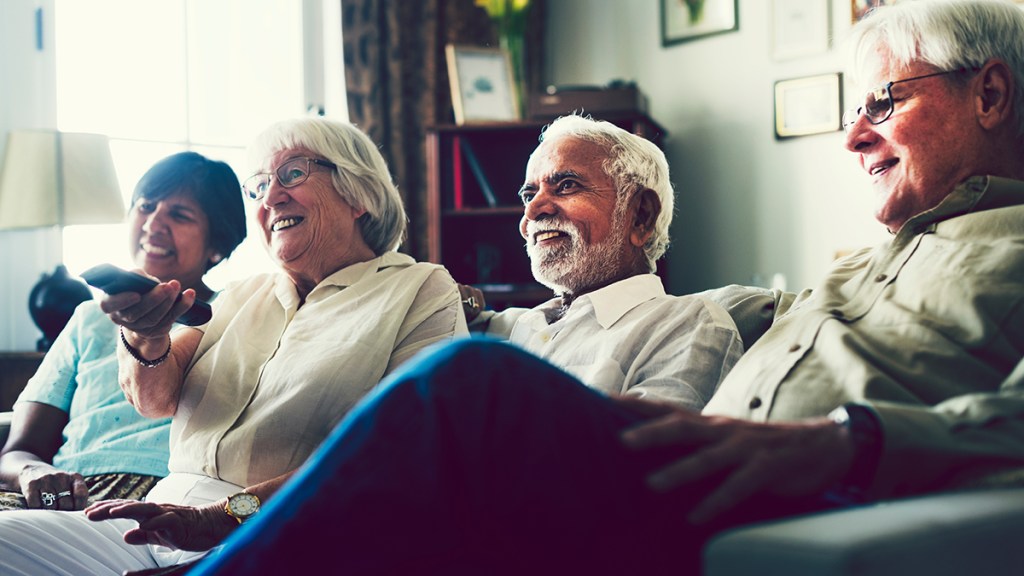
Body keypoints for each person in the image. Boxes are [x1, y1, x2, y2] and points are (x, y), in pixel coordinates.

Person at [184, 1, 1024, 574]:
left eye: (884, 100)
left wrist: (850, 440)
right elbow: (739, 311)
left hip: (785, 495)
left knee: (471, 387)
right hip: (706, 482)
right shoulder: (862, 266)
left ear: (989, 93)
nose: (853, 137)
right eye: (527, 195)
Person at [0, 117, 467, 575]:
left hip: (282, 528)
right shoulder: (242, 295)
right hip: (159, 516)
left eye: (292, 174)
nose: (272, 197)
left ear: (358, 192)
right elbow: (155, 398)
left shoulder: (419, 290)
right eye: (259, 186)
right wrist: (147, 334)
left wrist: (223, 518)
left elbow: (397, 454)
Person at [0, 151, 246, 512]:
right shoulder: (88, 318)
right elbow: (17, 451)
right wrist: (33, 472)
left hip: (169, 498)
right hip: (61, 497)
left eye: (179, 215)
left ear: (216, 246)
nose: (153, 223)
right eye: (145, 206)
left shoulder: (242, 312)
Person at [466, 114, 743, 409]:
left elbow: (644, 448)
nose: (532, 211)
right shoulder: (518, 324)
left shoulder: (688, 325)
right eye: (529, 195)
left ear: (640, 216)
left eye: (567, 186)